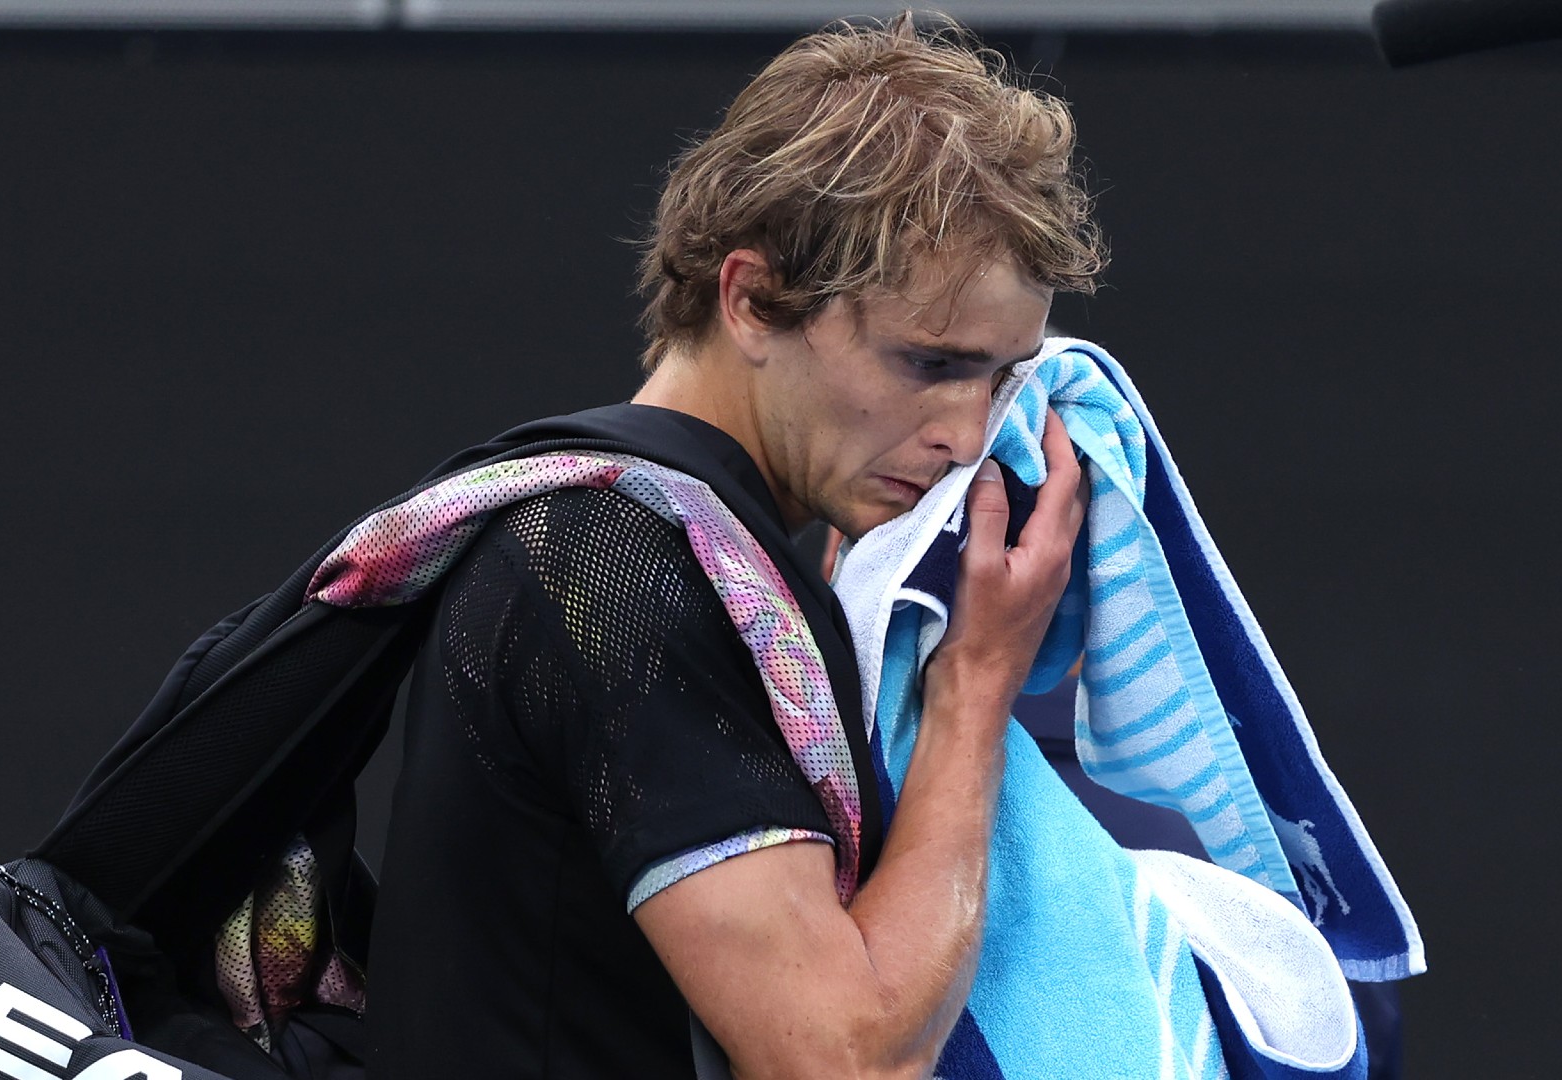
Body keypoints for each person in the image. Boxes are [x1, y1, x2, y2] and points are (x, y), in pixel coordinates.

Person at [364, 14, 1104, 1078]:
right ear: (753, 300)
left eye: (999, 380)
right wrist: (977, 684)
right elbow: (844, 1061)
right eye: (928, 362)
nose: (963, 432)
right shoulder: (611, 567)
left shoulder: (705, 562)